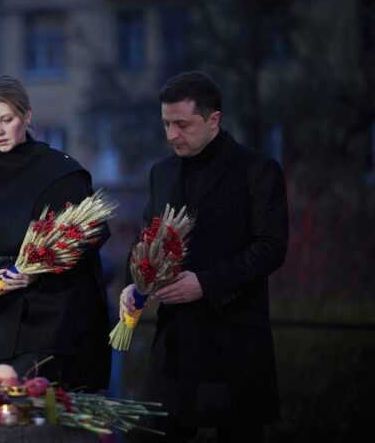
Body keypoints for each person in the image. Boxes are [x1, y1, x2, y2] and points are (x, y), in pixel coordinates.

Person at [119, 72, 289, 442]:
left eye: (182, 124)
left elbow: (271, 248)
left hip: (235, 339)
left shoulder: (257, 170)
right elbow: (146, 237)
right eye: (166, 124)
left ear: (214, 120)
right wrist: (134, 281)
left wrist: (206, 283)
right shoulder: (161, 172)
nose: (171, 135)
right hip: (175, 342)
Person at [0, 75, 111, 391]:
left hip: (44, 316)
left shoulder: (59, 170)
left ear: (27, 116)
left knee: (35, 408)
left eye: (6, 119)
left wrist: (39, 272)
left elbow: (88, 236)